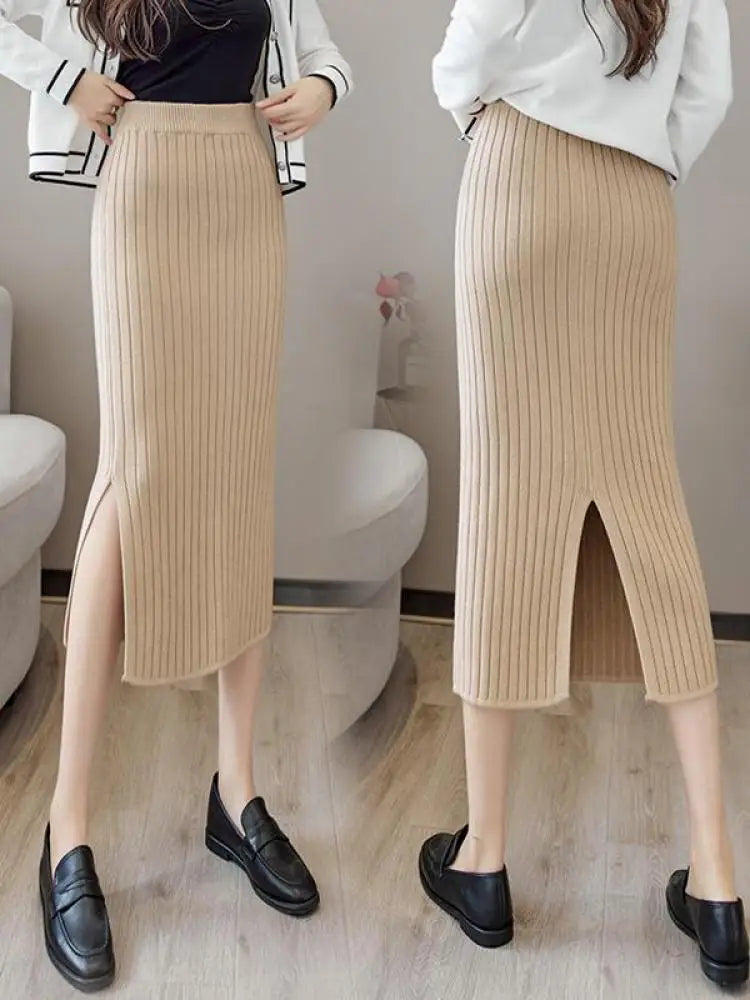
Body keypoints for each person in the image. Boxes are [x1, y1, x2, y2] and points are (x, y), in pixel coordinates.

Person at [0, 0, 351, 989]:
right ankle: (68, 827)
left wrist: (322, 88)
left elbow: (321, 49)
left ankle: (236, 792)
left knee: (240, 467)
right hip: (145, 176)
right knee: (134, 477)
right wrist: (63, 80)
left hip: (244, 181)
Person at [420, 0, 748, 988]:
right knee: (649, 503)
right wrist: (640, 149)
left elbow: (476, 39)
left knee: (504, 510)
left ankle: (485, 860)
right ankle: (719, 882)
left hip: (520, 178)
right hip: (636, 208)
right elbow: (709, 88)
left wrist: (475, 108)